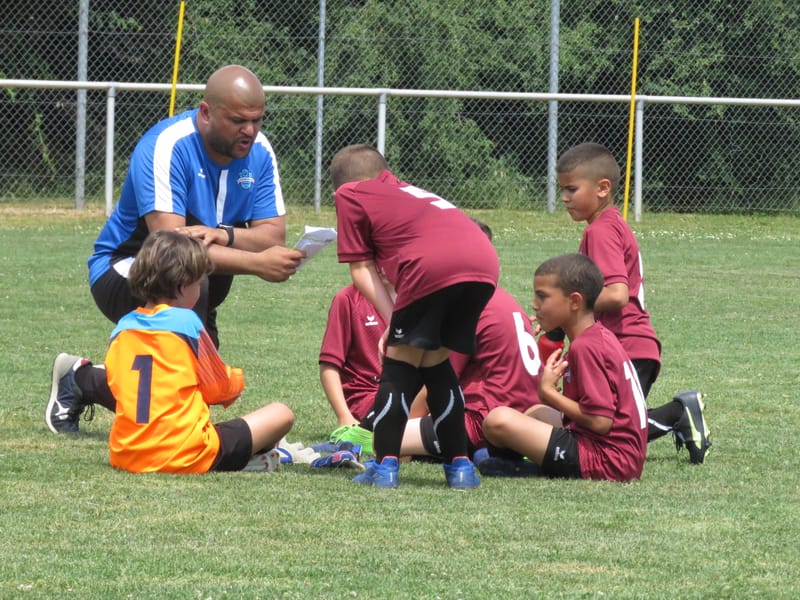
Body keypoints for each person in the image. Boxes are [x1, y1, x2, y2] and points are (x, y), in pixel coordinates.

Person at [46, 65, 305, 435]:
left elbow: (272, 235)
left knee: (194, 387)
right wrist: (257, 262)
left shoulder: (260, 151)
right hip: (127, 269)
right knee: (183, 374)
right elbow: (172, 251)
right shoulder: (167, 144)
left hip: (198, 282)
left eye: (257, 120)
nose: (249, 131)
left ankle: (83, 379)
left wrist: (223, 235)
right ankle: (81, 379)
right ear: (205, 112)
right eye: (237, 121)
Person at [330, 144, 499, 489]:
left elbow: (361, 270)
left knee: (399, 365)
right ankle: (460, 468)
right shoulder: (407, 190)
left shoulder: (350, 193)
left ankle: (385, 465)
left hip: (433, 268)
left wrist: (392, 320)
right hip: (484, 263)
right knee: (436, 364)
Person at [327, 219, 546, 466]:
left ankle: (485, 451)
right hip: (525, 415)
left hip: (485, 419)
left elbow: (437, 380)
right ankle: (489, 452)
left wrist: (399, 426)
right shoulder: (503, 299)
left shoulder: (467, 304)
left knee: (384, 440)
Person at [556, 142, 711, 464]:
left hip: (626, 345)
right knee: (601, 428)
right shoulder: (609, 224)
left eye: (571, 189)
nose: (564, 198)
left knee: (610, 433)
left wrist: (568, 308)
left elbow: (616, 294)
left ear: (602, 188)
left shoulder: (600, 231)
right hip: (628, 346)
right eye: (562, 190)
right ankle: (678, 413)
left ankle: (678, 413)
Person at [104, 230, 294, 473]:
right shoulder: (186, 324)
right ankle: (252, 458)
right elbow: (219, 389)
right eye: (200, 282)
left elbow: (116, 385)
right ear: (184, 286)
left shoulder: (122, 329)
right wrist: (236, 379)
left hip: (125, 455)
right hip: (186, 454)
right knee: (281, 413)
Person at [481, 253, 648, 482]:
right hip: (616, 455)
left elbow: (600, 422)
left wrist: (548, 393)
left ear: (575, 302)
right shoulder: (596, 336)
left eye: (543, 297)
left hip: (608, 462)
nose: (534, 304)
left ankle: (515, 466)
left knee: (497, 420)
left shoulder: (586, 347)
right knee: (534, 412)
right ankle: (515, 462)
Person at [319, 284, 387, 434]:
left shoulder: (413, 294)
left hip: (406, 396)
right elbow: (329, 365)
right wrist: (344, 417)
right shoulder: (348, 298)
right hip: (369, 401)